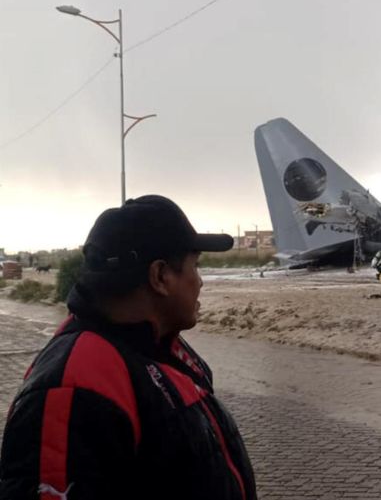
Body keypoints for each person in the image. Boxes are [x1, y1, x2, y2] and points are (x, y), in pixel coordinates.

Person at [0, 195, 256, 500]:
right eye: (195, 266)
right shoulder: (75, 384)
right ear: (160, 276)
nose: (200, 282)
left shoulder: (160, 348)